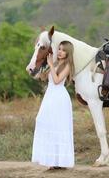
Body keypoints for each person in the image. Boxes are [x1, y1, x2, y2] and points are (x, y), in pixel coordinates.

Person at [31, 41, 75, 170]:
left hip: (59, 97)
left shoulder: (68, 65)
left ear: (68, 52)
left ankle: (60, 161)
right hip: (50, 96)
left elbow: (56, 81)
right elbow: (45, 78)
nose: (60, 52)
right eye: (59, 49)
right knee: (44, 121)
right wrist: (41, 67)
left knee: (58, 126)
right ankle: (51, 159)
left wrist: (50, 64)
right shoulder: (55, 63)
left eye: (63, 50)